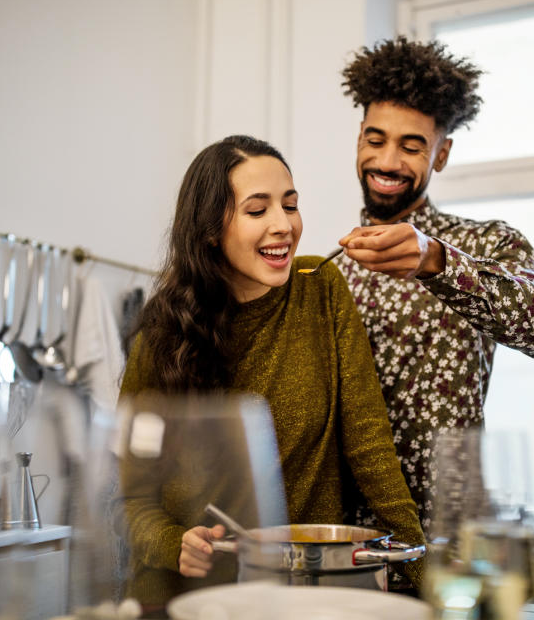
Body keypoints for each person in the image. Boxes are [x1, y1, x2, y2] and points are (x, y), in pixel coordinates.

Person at [117, 135, 425, 605]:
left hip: (300, 598)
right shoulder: (162, 331)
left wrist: (423, 575)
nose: (283, 225)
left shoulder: (320, 287)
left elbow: (371, 446)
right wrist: (171, 543)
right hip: (186, 601)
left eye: (291, 205)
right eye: (258, 211)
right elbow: (129, 498)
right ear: (208, 229)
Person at [335, 37, 534, 535]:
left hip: (451, 539)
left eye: (412, 145)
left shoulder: (487, 243)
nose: (388, 161)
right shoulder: (330, 271)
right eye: (376, 140)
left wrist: (437, 261)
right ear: (359, 139)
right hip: (347, 544)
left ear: (441, 155)